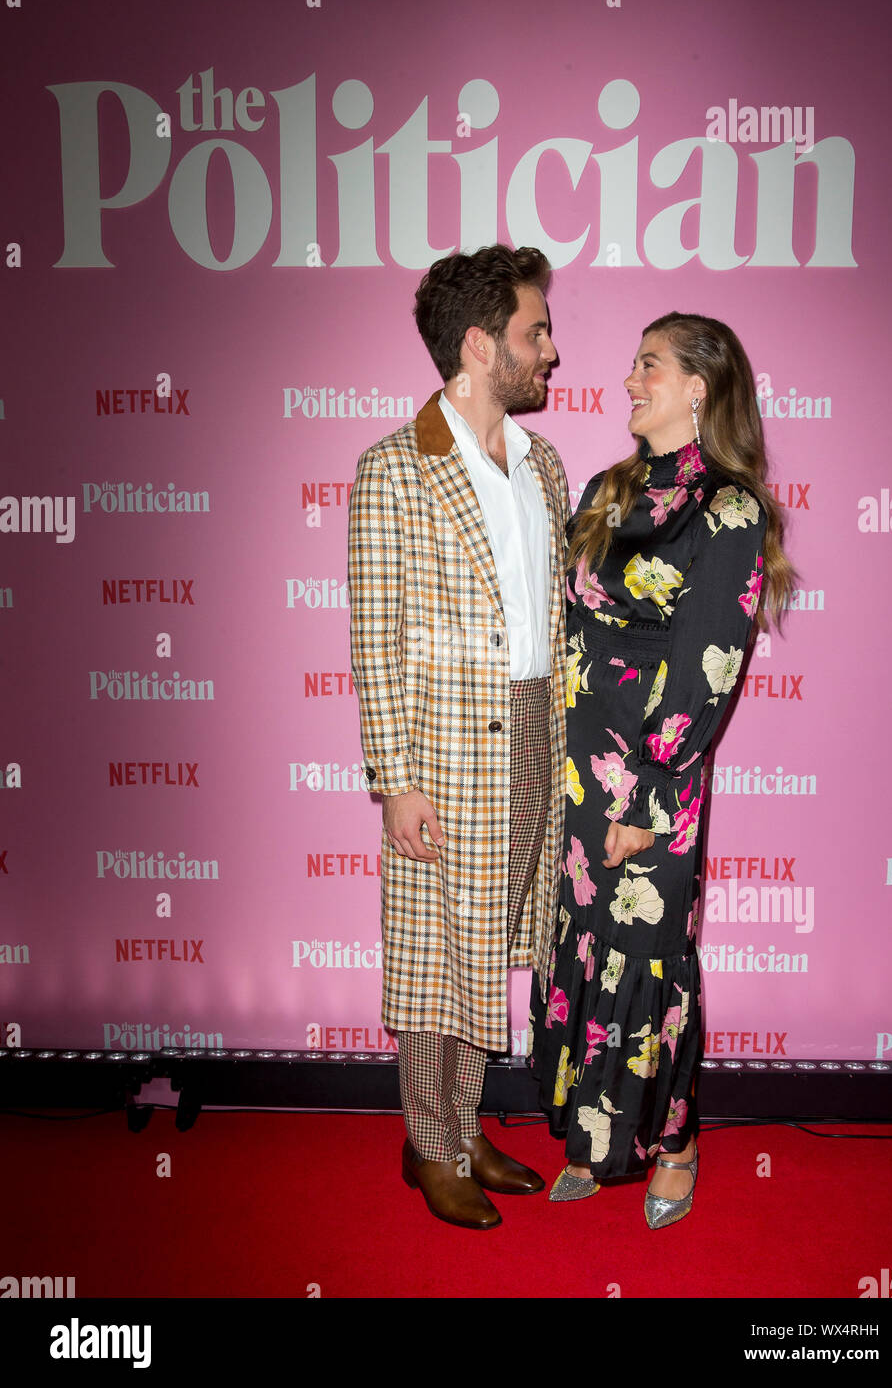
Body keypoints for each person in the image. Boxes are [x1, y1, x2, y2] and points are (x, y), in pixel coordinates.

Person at [530, 311, 794, 1227]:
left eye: (649, 365)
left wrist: (645, 797)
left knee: (644, 958)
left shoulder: (729, 509)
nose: (629, 380)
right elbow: (565, 623)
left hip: (651, 781)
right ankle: (593, 1136)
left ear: (698, 387)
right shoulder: (608, 488)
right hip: (577, 771)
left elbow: (704, 669)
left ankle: (673, 1145)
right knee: (584, 944)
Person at [347, 245, 571, 1230]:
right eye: (535, 332)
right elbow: (374, 637)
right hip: (440, 754)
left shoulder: (542, 464)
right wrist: (394, 779)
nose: (551, 351)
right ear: (480, 346)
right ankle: (429, 1143)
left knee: (489, 949)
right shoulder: (394, 468)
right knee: (434, 956)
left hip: (534, 730)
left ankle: (462, 1125)